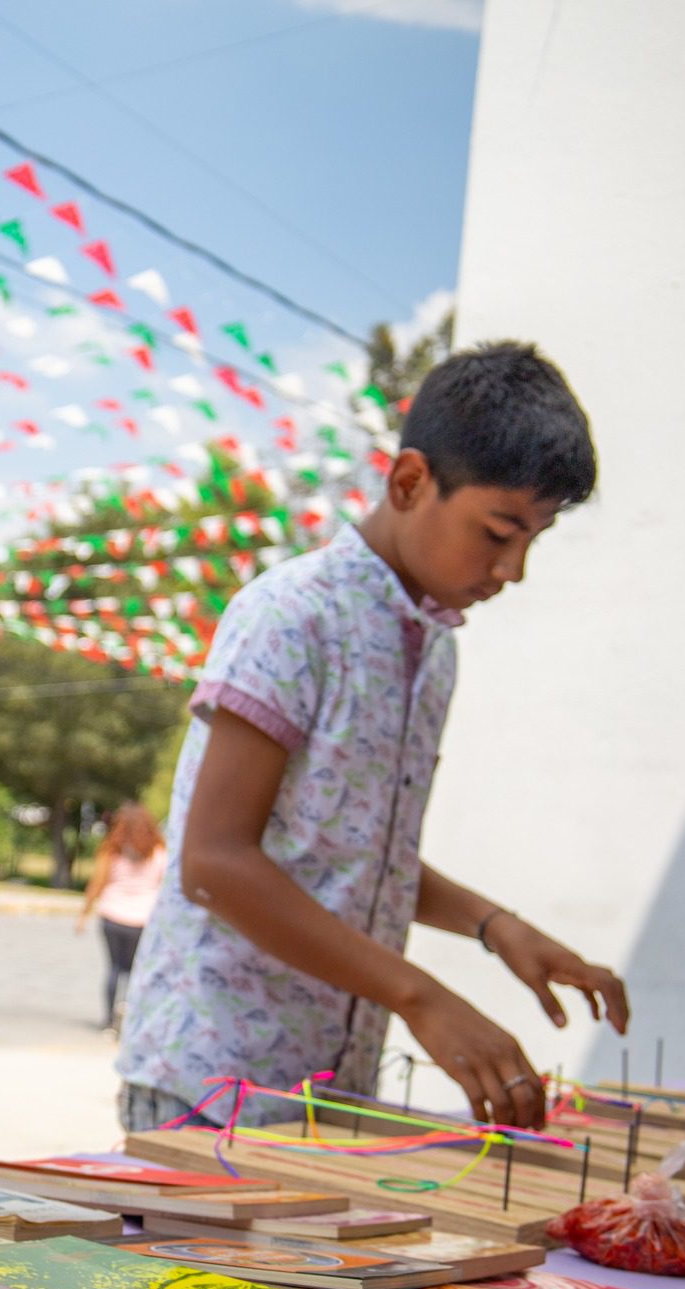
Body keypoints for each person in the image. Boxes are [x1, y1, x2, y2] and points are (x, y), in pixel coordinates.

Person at [117, 342, 631, 1135]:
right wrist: (420, 995)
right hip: (208, 1087)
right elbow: (217, 862)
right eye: (498, 532)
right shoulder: (293, 616)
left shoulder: (434, 648)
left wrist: (497, 926)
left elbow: (351, 850)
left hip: (329, 1092)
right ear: (410, 481)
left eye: (534, 538)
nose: (514, 568)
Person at [74, 802, 168, 1032]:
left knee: (115, 968)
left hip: (113, 915)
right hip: (143, 919)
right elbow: (165, 887)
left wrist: (83, 915)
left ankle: (108, 1020)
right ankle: (130, 1018)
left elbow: (98, 883)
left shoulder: (112, 850)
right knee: (136, 971)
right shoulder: (158, 852)